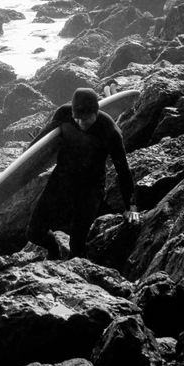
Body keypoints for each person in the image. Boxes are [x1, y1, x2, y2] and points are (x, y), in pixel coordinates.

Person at [26, 87, 139, 259]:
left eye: (85, 119)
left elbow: (122, 169)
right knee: (34, 232)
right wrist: (26, 158)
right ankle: (54, 250)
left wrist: (131, 206)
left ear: (96, 112)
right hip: (62, 179)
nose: (80, 123)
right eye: (76, 119)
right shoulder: (63, 114)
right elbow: (40, 142)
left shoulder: (110, 130)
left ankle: (76, 275)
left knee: (77, 244)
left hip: (91, 187)